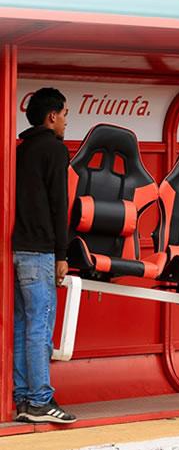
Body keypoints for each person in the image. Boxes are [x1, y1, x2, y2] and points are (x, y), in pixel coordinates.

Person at [11, 87, 76, 424]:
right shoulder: (54, 149)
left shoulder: (22, 150)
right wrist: (62, 253)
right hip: (39, 253)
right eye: (65, 115)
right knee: (39, 327)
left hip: (18, 250)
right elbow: (58, 205)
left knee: (23, 325)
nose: (66, 122)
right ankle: (40, 400)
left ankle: (22, 398)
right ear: (52, 116)